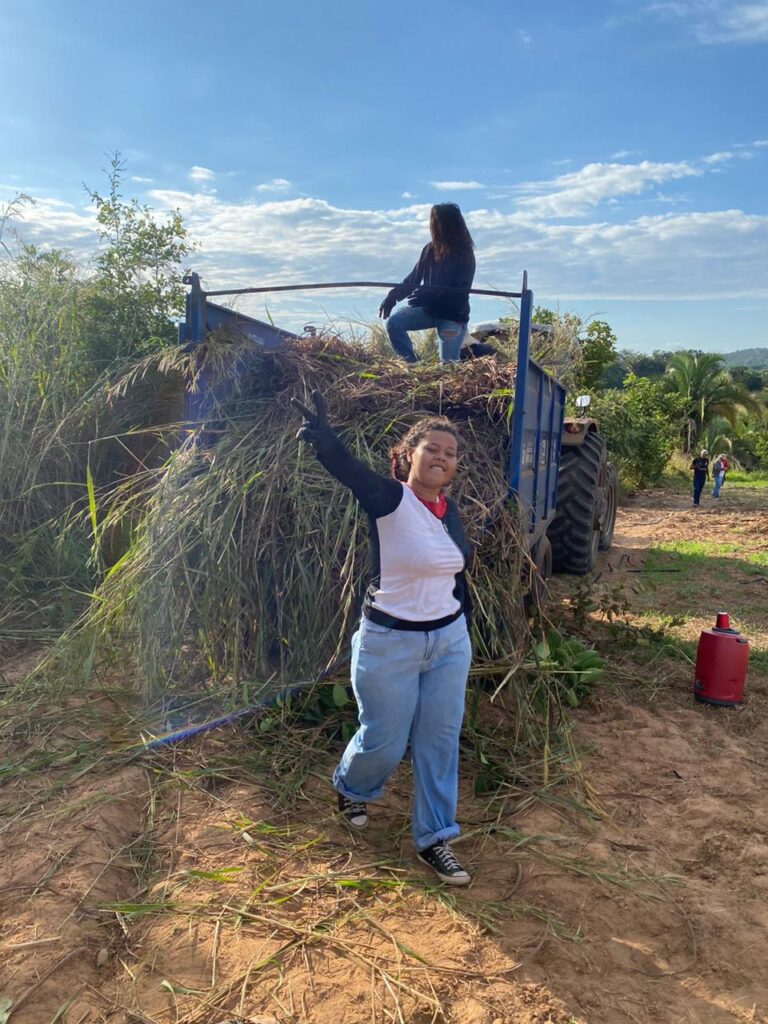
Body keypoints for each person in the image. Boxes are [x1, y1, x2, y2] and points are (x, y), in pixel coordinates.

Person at [291, 390, 474, 885]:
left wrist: (460, 629)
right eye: (431, 448)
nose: (441, 457)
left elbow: (453, 577)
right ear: (408, 455)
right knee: (385, 740)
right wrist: (327, 444)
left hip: (448, 644)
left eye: (450, 453)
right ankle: (353, 785)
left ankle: (435, 837)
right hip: (390, 644)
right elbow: (349, 470)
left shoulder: (448, 512)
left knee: (440, 741)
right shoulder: (391, 499)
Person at [379, 203, 476, 364]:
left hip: (452, 316)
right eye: (434, 221)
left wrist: (430, 295)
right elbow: (414, 278)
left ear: (451, 224)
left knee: (448, 366)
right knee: (394, 323)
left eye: (439, 221)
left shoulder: (464, 252)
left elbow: (460, 290)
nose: (435, 226)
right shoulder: (430, 249)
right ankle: (412, 367)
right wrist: (392, 297)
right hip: (428, 310)